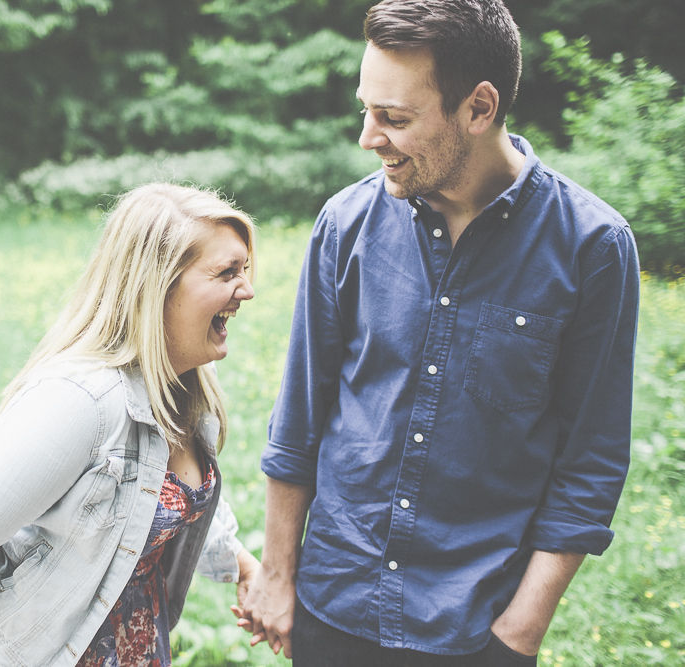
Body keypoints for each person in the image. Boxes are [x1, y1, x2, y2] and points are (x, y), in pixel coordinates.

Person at [237, 1, 640, 665]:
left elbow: (590, 462)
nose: (369, 137)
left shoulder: (593, 248)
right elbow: (300, 419)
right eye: (366, 109)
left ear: (479, 109)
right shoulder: (345, 224)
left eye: (393, 118)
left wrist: (520, 633)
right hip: (332, 605)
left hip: (476, 629)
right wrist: (279, 575)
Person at [0, 182, 262, 667]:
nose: (247, 289)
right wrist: (19, 593)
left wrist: (242, 565)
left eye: (244, 269)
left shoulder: (190, 376)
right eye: (226, 273)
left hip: (132, 643)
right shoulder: (81, 403)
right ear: (156, 285)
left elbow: (172, 498)